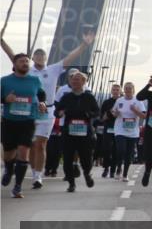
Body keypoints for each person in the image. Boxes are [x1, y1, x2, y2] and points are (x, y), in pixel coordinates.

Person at [1, 30, 94, 189]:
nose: (39, 58)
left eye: (41, 56)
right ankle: (28, 168)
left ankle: (38, 176)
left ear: (45, 58)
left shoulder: (53, 69)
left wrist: (84, 45)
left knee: (41, 144)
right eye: (36, 56)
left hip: (47, 110)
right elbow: (13, 56)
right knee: (29, 144)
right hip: (29, 110)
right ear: (32, 59)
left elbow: (70, 57)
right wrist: (2, 41)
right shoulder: (27, 70)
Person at [1, 53, 47, 198]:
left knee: (23, 152)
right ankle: (9, 169)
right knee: (8, 154)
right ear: (14, 65)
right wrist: (5, 99)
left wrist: (42, 103)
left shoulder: (34, 80)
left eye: (27, 61)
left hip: (28, 122)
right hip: (9, 122)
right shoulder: (5, 80)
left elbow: (41, 94)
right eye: (22, 61)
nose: (25, 63)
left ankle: (18, 187)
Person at [53, 71, 99, 192]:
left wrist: (89, 114)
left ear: (83, 82)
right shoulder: (66, 97)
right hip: (69, 132)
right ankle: (71, 183)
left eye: (78, 80)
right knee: (67, 158)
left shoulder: (89, 97)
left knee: (86, 158)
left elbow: (97, 112)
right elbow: (56, 112)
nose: (74, 81)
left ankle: (87, 174)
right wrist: (60, 113)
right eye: (73, 80)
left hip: (85, 132)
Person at [112, 82, 144, 181]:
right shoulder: (119, 100)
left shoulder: (138, 101)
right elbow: (114, 112)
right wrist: (115, 113)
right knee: (121, 150)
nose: (128, 90)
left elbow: (143, 116)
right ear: (124, 90)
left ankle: (125, 174)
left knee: (129, 153)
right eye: (126, 88)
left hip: (133, 131)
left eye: (130, 88)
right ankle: (118, 168)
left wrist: (135, 110)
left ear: (133, 90)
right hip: (120, 129)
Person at [99, 85, 121, 178]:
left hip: (119, 128)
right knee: (106, 149)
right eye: (114, 90)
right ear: (111, 91)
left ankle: (113, 170)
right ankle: (106, 168)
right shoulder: (106, 102)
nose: (115, 91)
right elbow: (102, 118)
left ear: (120, 91)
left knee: (116, 149)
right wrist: (108, 114)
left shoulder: (122, 102)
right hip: (108, 127)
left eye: (117, 90)